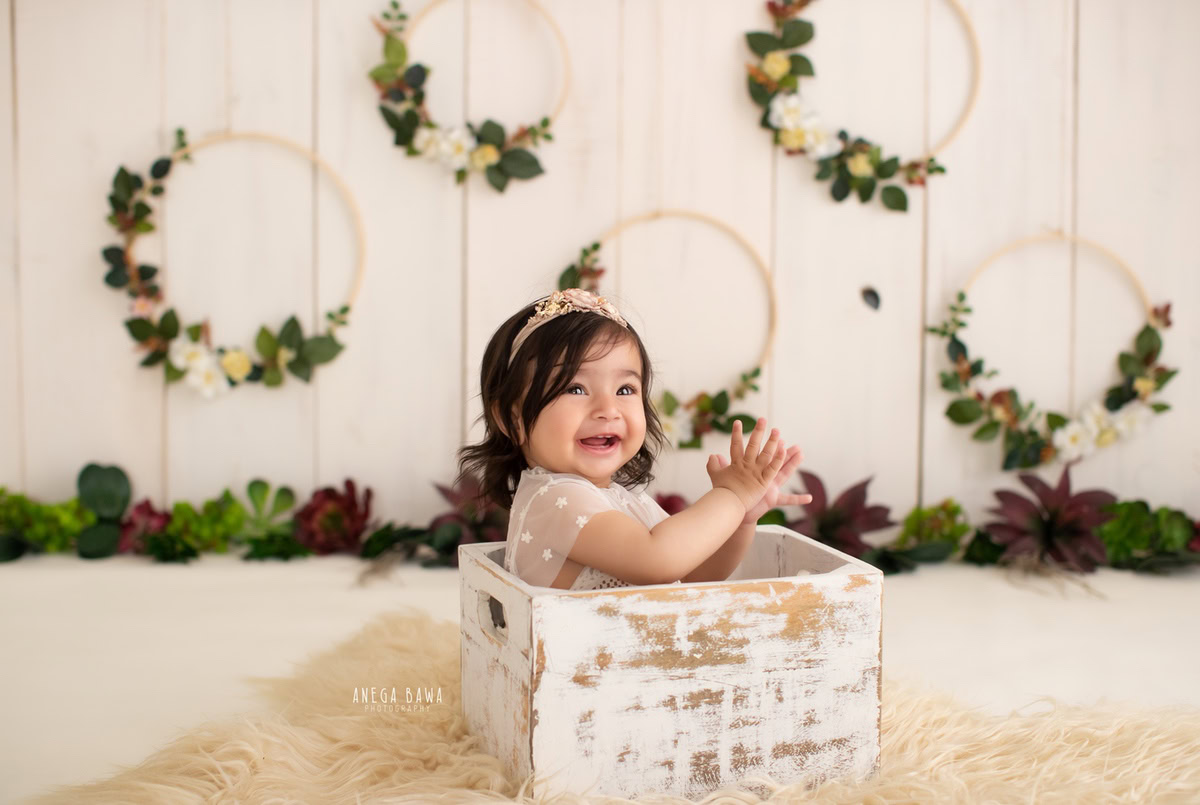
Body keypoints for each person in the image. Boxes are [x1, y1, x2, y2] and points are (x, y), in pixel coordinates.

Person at [456, 288, 810, 590]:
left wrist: (742, 518)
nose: (608, 409)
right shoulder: (555, 499)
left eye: (625, 389)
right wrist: (731, 495)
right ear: (510, 418)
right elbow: (660, 561)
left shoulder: (619, 501)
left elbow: (695, 576)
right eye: (575, 388)